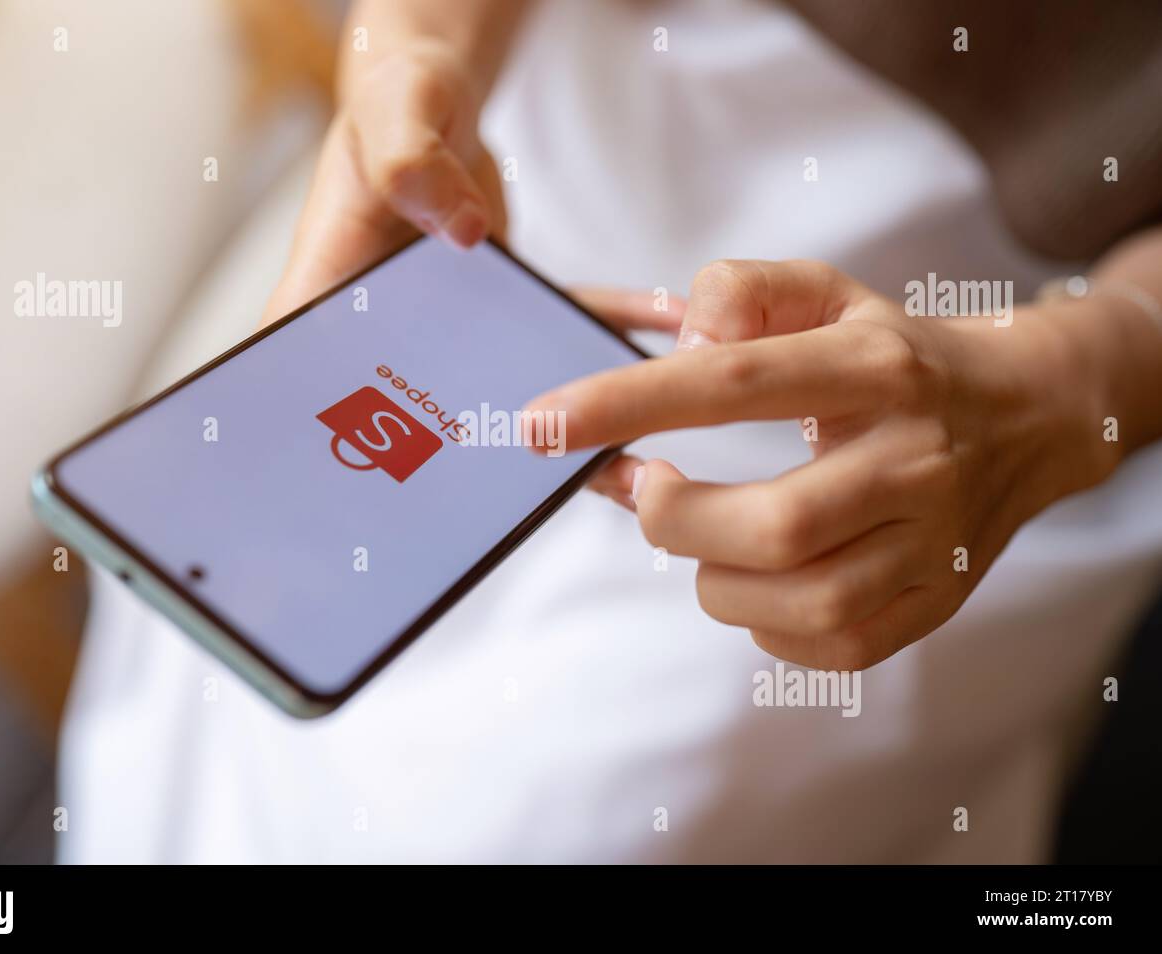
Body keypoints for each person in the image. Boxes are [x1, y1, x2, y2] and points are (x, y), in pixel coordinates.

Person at [59, 0, 1162, 862]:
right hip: (500, 205)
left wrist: (1068, 384)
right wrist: (413, 52)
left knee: (560, 818)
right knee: (208, 602)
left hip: (965, 362)